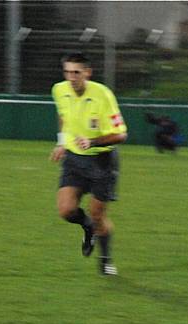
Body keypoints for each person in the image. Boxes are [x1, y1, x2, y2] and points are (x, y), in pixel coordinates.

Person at [50, 53, 128, 275]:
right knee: (66, 210)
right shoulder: (59, 90)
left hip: (102, 161)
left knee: (98, 215)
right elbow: (63, 115)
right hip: (74, 159)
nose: (71, 77)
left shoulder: (103, 95)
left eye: (76, 72)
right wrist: (62, 142)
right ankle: (87, 227)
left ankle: (105, 260)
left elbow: (121, 134)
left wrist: (91, 141)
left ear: (87, 72)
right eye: (67, 72)